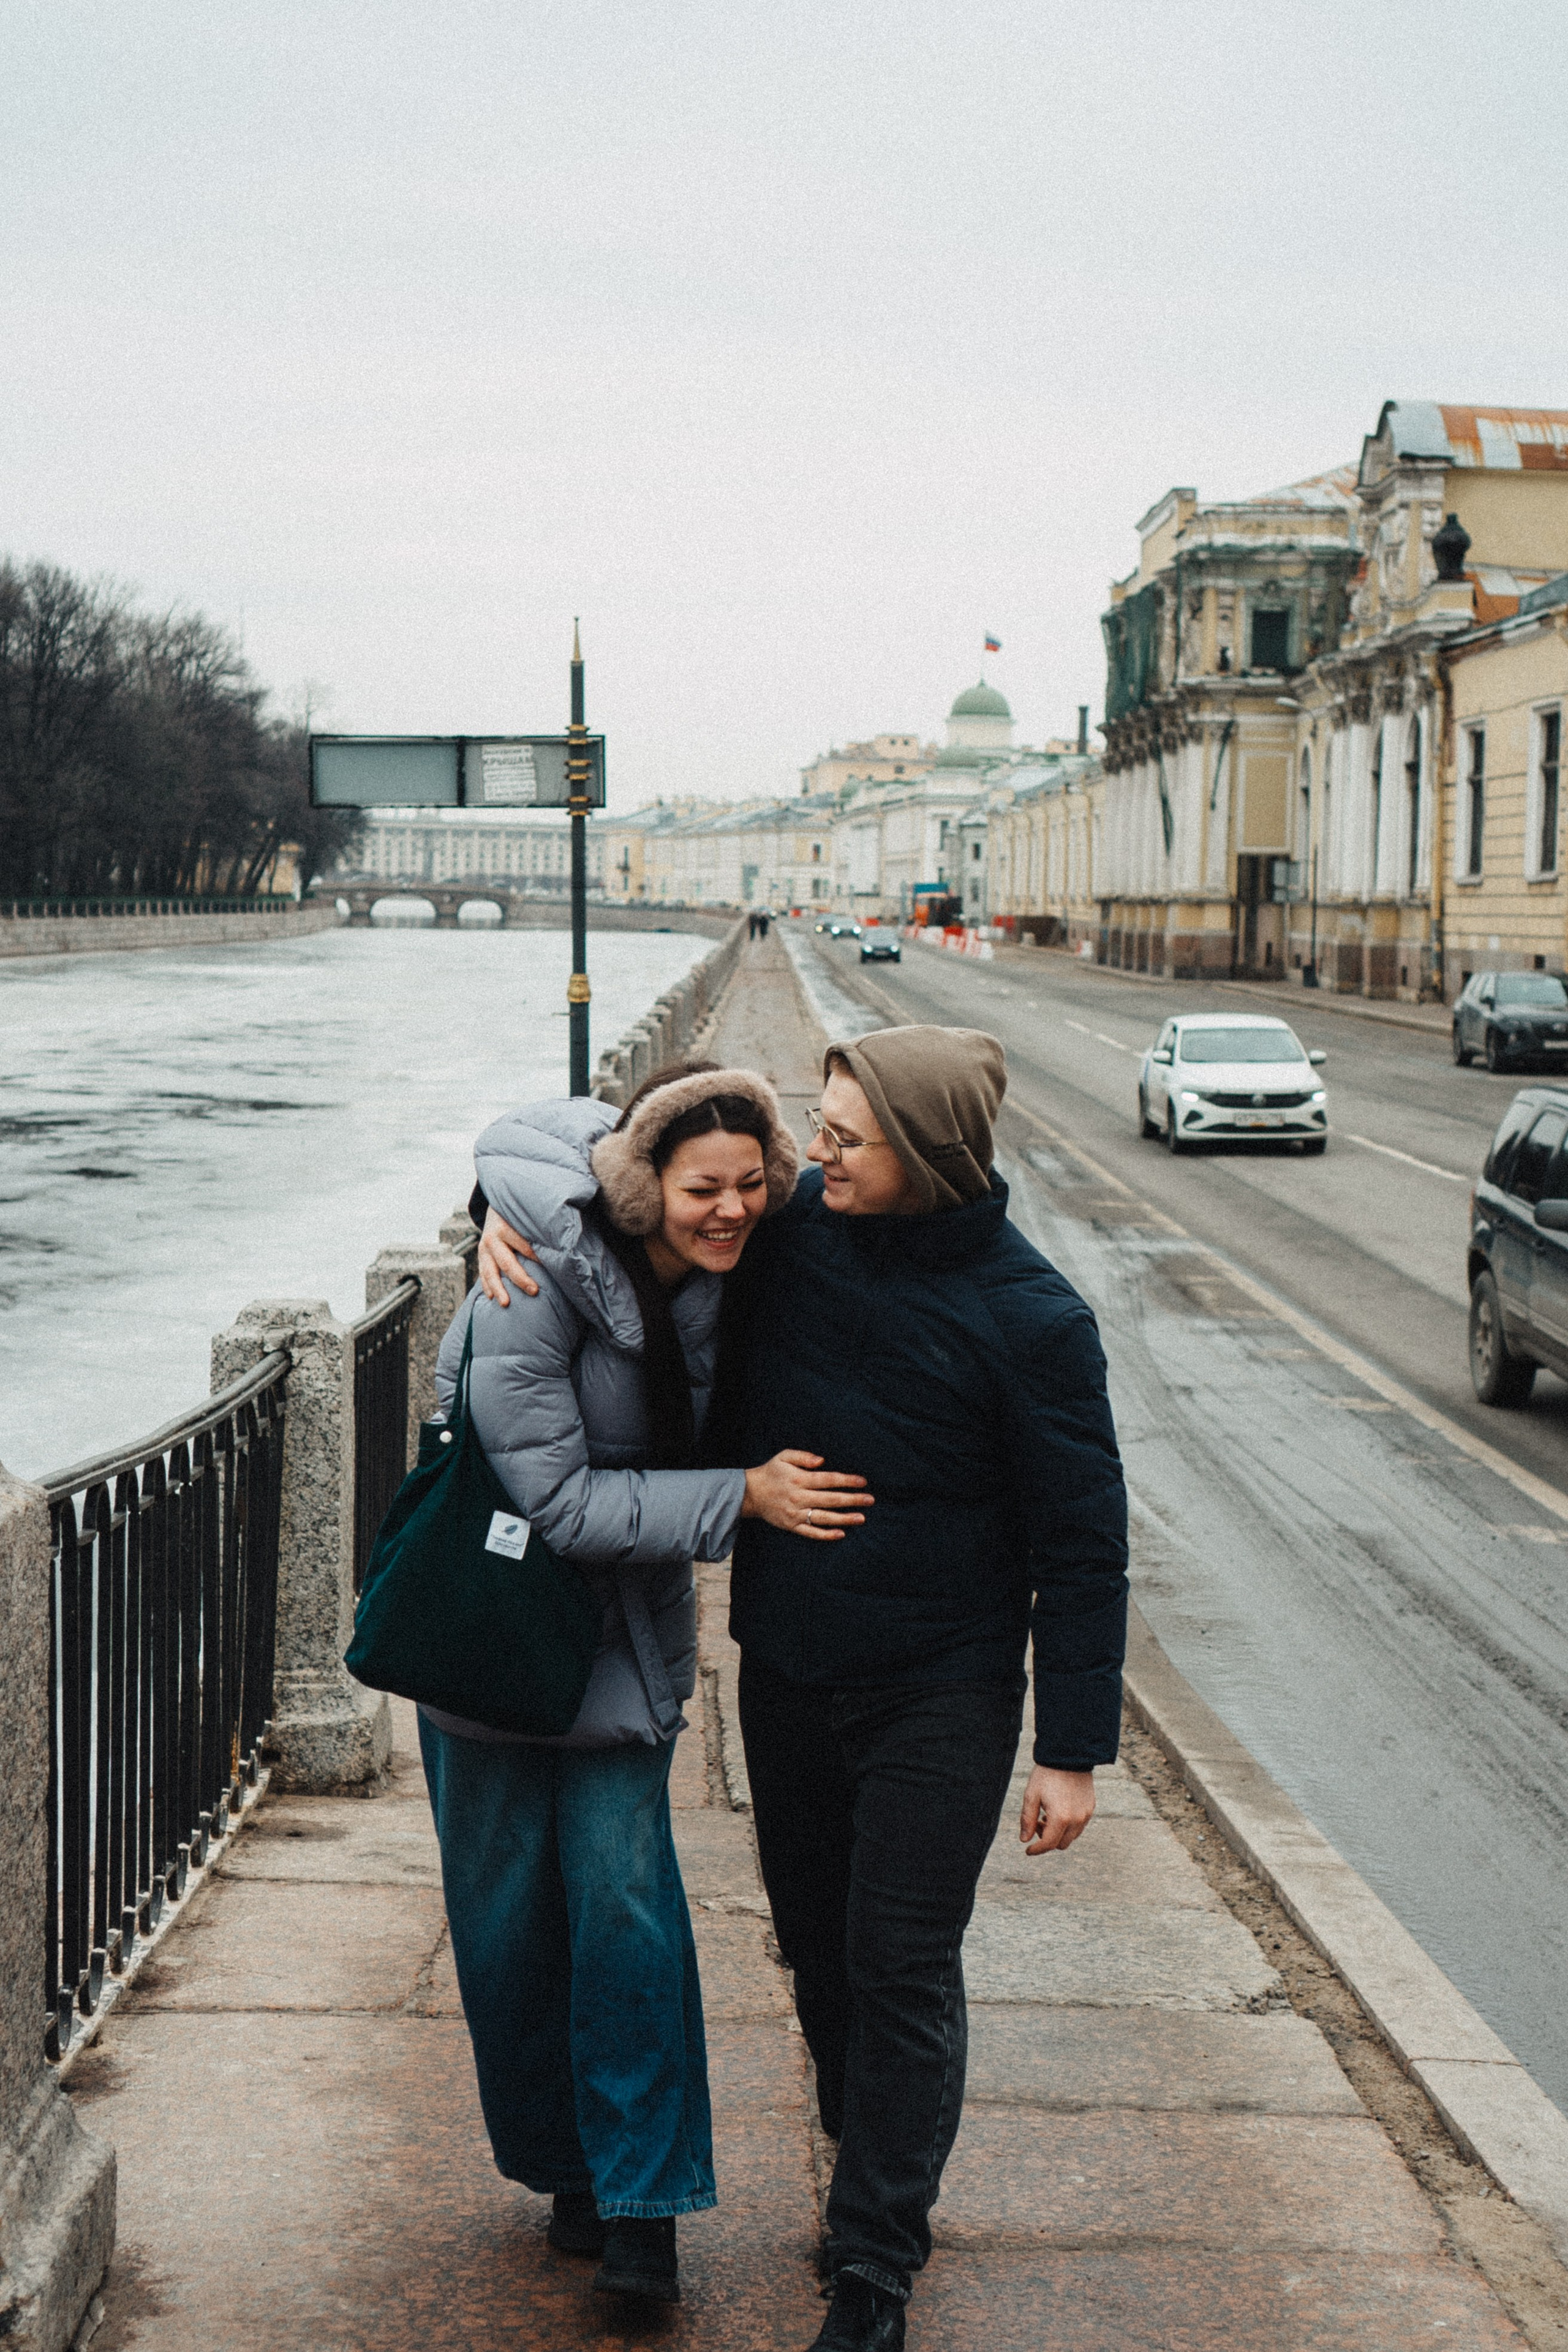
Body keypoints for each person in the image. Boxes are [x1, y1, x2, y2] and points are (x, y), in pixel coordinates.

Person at [477, 1024, 1129, 2352]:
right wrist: (486, 1228)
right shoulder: (792, 1234)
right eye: (811, 1132)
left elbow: (1083, 1542)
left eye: (839, 1137)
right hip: (784, 1672)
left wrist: (1070, 1750)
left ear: (927, 1152)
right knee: (821, 1957)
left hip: (939, 1691)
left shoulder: (1036, 1322)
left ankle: (875, 2259)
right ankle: (864, 2137)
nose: (805, 1159)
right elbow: (595, 1175)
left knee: (900, 1966)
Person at [426, 1064, 873, 2309]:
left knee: (627, 1920)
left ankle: (642, 2212)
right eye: (699, 1190)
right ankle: (567, 2169)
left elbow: (913, 1194)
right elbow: (552, 1501)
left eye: (747, 1185)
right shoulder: (532, 1283)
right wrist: (743, 1495)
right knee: (510, 1931)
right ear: (641, 1184)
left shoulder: (754, 1252)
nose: (725, 1211)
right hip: (487, 1630)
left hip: (619, 1652)